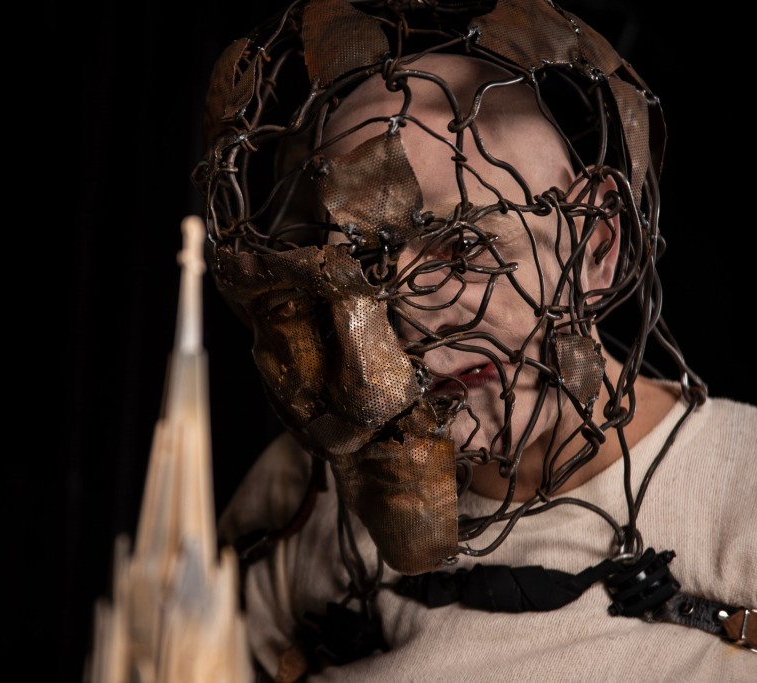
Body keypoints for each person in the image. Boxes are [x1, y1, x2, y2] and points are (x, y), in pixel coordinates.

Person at [191, 0, 756, 681]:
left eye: (463, 249)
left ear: (595, 246)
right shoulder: (300, 497)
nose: (409, 323)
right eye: (364, 267)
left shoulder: (740, 486)